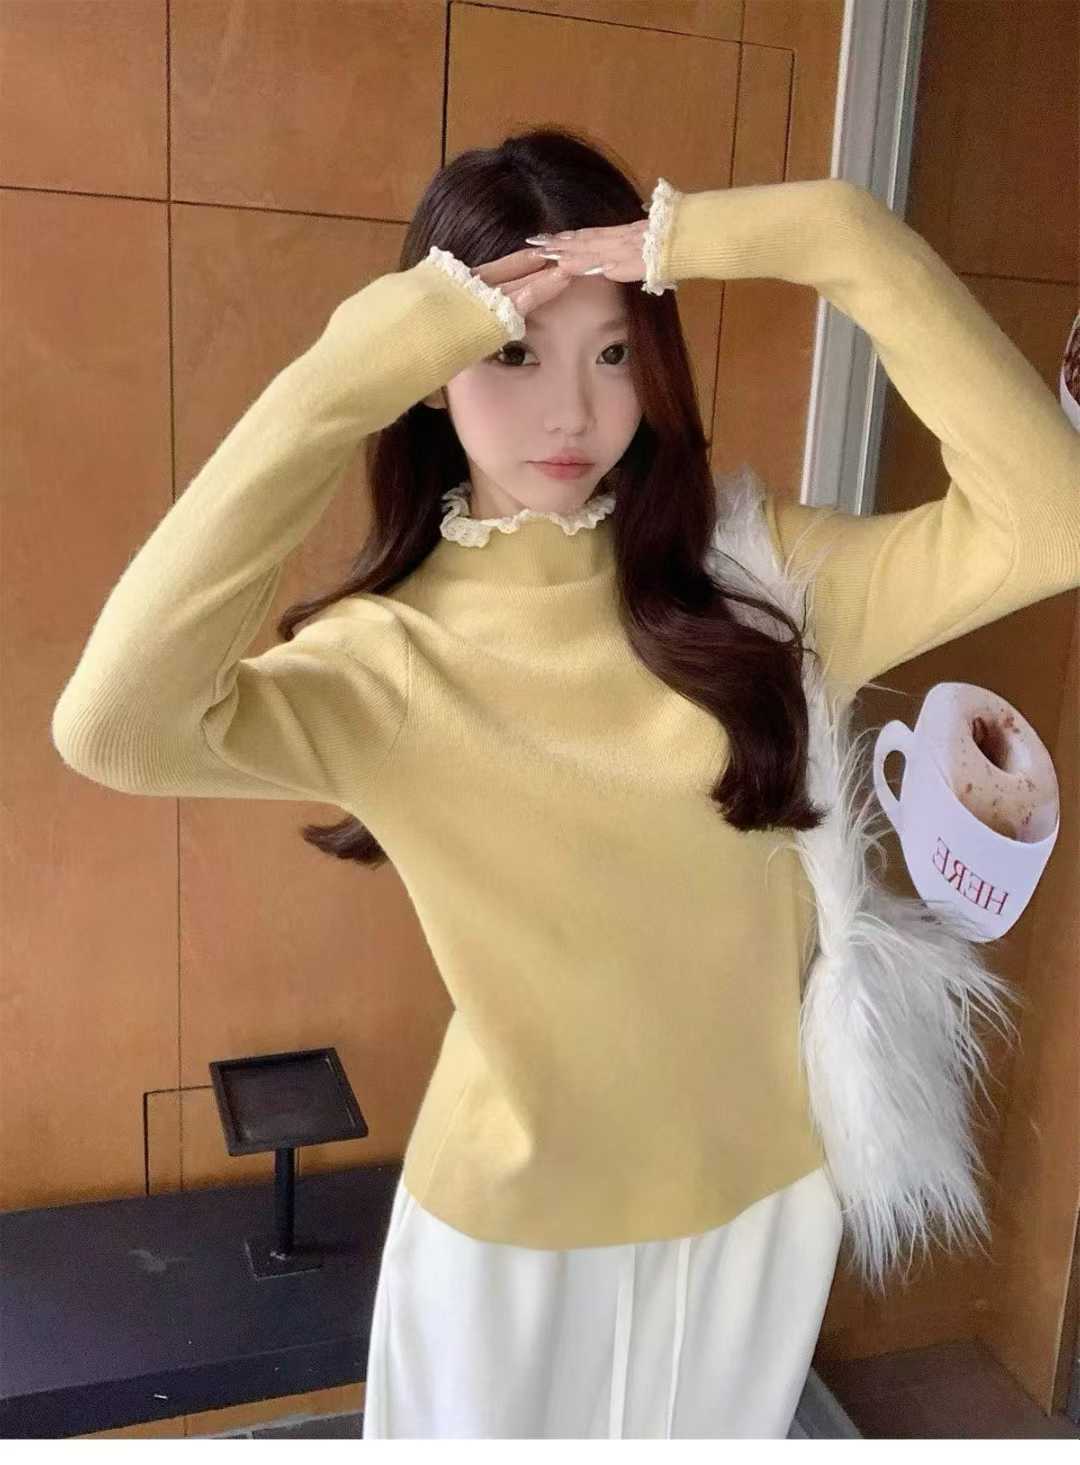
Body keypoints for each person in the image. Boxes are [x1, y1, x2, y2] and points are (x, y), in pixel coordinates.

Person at [51, 127, 1080, 1438]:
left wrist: (831, 231)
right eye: (512, 354)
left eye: (613, 353)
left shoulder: (761, 584)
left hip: (760, 1218)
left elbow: (1050, 522)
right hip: (511, 1245)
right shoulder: (390, 658)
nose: (572, 414)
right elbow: (114, 726)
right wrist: (340, 381)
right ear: (428, 373)